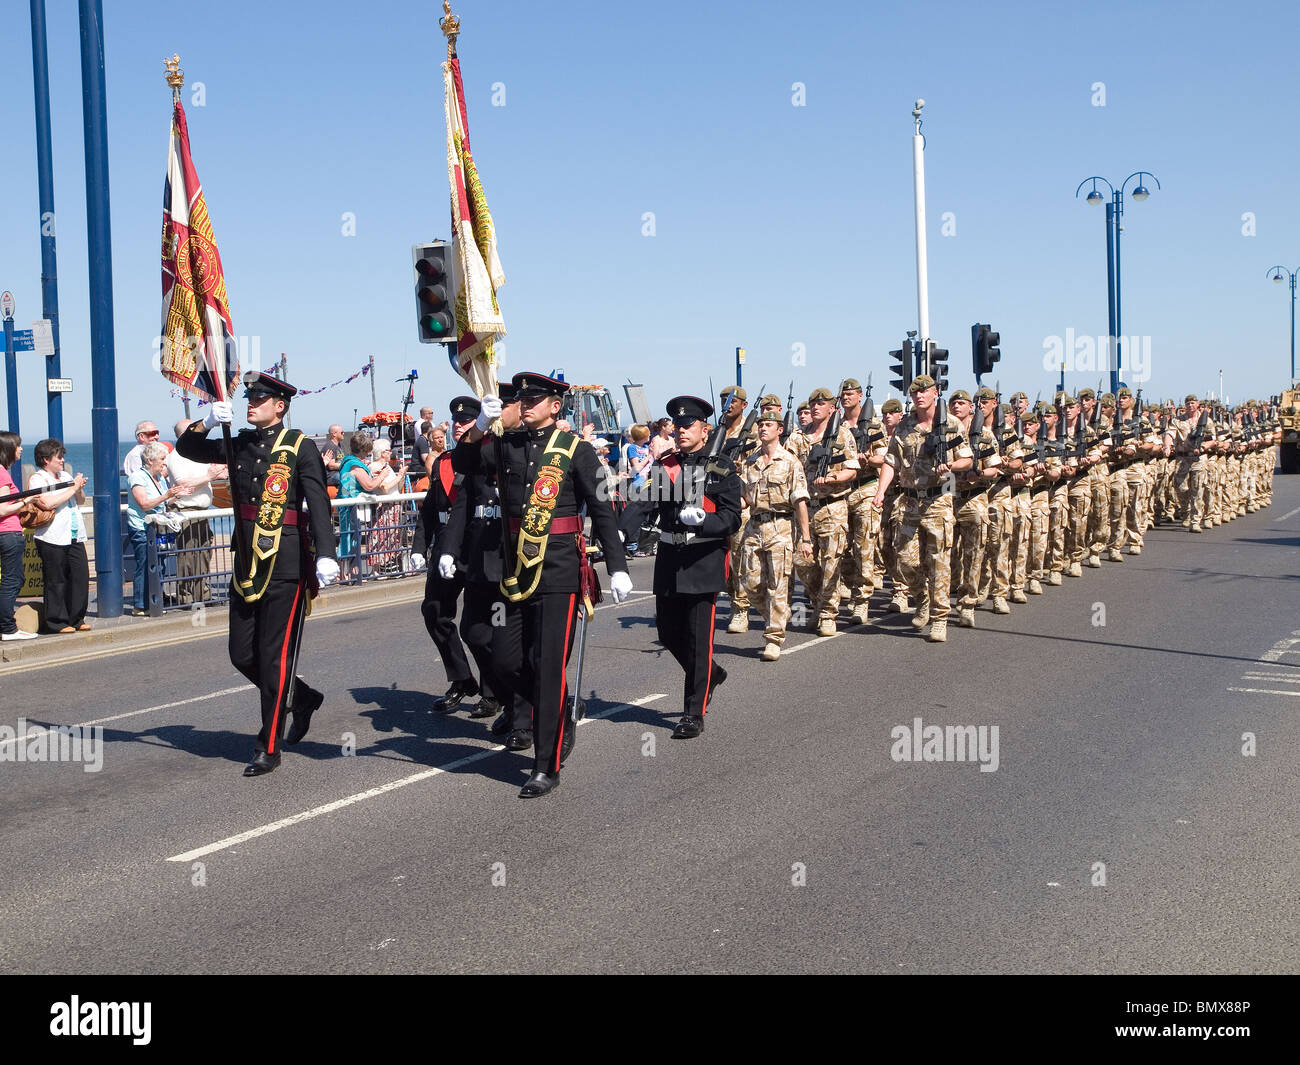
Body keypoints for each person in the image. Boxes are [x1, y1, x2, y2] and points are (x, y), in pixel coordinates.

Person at [446, 372, 632, 798]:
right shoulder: (504, 444)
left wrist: (616, 565)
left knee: (548, 665)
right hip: (516, 571)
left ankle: (544, 765)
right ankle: (559, 710)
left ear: (555, 405)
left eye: (534, 398)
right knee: (506, 659)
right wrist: (477, 428)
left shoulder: (577, 451)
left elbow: (602, 509)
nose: (525, 404)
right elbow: (463, 464)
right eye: (522, 398)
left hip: (560, 571)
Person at [176, 371, 339, 777]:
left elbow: (317, 502)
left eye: (259, 399)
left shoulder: (300, 447)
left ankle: (269, 746)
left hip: (285, 562)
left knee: (274, 657)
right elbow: (189, 448)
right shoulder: (242, 441)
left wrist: (326, 554)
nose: (251, 404)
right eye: (249, 398)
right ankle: (300, 698)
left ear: (279, 405)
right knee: (242, 654)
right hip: (247, 559)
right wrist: (210, 421)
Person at [649, 396, 742, 732]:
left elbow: (732, 518)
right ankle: (711, 673)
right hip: (670, 560)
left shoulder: (721, 467)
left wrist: (704, 520)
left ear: (704, 430)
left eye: (688, 426)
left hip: (703, 560)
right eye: (677, 426)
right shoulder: (666, 464)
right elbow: (650, 506)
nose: (680, 431)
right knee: (668, 633)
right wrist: (619, 529)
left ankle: (693, 712)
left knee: (698, 637)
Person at [872, 375, 972, 643]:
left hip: (939, 501)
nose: (919, 396)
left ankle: (939, 619)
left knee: (939, 561)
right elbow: (891, 461)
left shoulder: (950, 424)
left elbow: (967, 459)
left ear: (935, 393)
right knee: (904, 561)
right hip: (909, 502)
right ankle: (921, 597)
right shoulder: (905, 425)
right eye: (914, 392)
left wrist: (951, 467)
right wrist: (881, 491)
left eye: (924, 391)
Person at [415, 396, 485, 717]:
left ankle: (493, 691)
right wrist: (419, 547)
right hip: (446, 547)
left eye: (466, 421)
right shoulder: (443, 462)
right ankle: (461, 678)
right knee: (434, 612)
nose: (459, 426)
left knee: (479, 624)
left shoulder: (487, 458)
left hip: (478, 546)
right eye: (455, 422)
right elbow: (430, 510)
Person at [737, 410, 811, 660]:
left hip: (781, 528)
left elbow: (800, 501)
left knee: (777, 586)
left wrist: (806, 538)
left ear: (779, 430)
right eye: (760, 425)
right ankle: (776, 615)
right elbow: (746, 499)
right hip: (754, 528)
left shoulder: (790, 462)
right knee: (750, 583)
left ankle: (774, 637)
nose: (762, 429)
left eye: (768, 425)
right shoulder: (751, 462)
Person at [28, 439, 90, 633]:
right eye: (58, 457)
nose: (62, 461)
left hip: (73, 533)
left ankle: (77, 618)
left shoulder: (65, 475)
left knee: (80, 576)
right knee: (56, 579)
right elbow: (47, 503)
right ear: (46, 460)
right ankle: (57, 621)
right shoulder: (38, 479)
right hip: (52, 536)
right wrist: (71, 488)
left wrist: (78, 487)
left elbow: (79, 500)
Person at [127, 441, 191, 615]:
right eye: (162, 459)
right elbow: (144, 504)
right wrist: (166, 495)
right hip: (143, 528)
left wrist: (175, 496)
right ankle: (140, 604)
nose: (165, 462)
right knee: (146, 563)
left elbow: (162, 502)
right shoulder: (137, 478)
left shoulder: (160, 478)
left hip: (161, 527)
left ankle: (156, 600)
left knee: (160, 563)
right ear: (150, 459)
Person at [166, 419, 226, 605]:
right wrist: (209, 476)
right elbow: (183, 484)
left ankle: (203, 594)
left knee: (204, 554)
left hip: (202, 510)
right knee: (188, 557)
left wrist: (218, 472)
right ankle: (186, 597)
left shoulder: (197, 454)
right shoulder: (176, 456)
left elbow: (209, 473)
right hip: (186, 511)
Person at [0, 432, 36, 641]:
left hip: (6, 533)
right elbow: (3, 508)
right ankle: (8, 628)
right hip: (8, 532)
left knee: (13, 579)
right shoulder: (2, 473)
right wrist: (26, 500)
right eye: (18, 445)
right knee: (12, 580)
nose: (21, 449)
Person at [337, 431, 382, 579]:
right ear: (363, 450)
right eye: (367, 451)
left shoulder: (347, 461)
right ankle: (348, 574)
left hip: (345, 504)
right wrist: (383, 475)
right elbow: (369, 486)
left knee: (347, 537)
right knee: (350, 538)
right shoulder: (355, 465)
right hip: (350, 506)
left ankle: (344, 574)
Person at [320, 424, 345, 488]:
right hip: (330, 476)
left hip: (338, 472)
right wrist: (346, 465)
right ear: (334, 434)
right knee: (348, 478)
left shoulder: (340, 445)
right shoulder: (330, 446)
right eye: (341, 432)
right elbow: (331, 466)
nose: (343, 433)